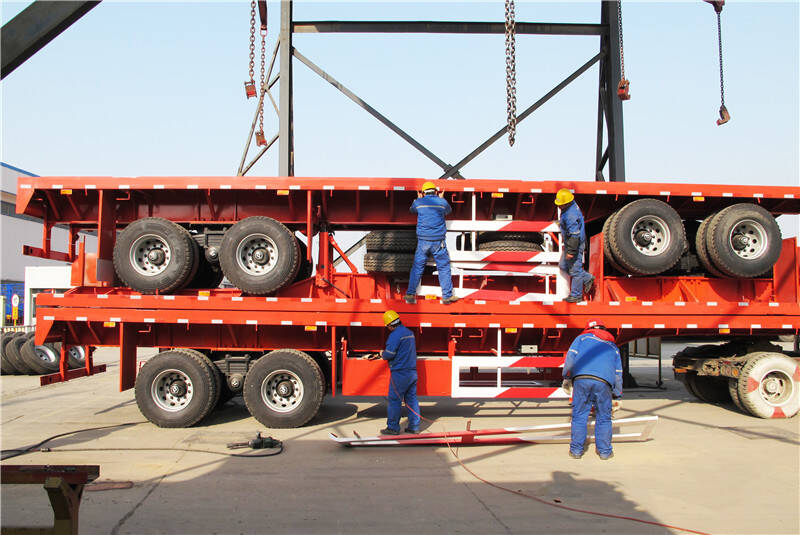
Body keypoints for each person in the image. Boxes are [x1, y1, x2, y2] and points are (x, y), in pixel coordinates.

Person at [562, 319, 623, 460]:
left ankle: (576, 451)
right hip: (604, 383)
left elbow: (570, 358)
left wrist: (566, 377)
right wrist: (617, 395)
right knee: (604, 417)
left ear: (588, 328)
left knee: (579, 415)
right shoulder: (613, 347)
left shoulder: (581, 338)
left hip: (582, 379)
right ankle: (605, 452)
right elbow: (618, 372)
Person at [405, 181, 458, 305]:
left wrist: (418, 199)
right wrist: (442, 198)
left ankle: (410, 294)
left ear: (423, 192)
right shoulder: (442, 203)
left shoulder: (418, 203)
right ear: (435, 191)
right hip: (438, 242)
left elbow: (412, 210)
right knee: (444, 268)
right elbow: (448, 211)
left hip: (423, 242)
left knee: (417, 268)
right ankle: (447, 296)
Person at [377, 310, 421, 435]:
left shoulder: (395, 335)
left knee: (394, 400)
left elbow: (389, 354)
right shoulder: (409, 333)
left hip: (400, 373)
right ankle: (414, 426)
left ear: (390, 325)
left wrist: (382, 354)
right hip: (412, 372)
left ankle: (393, 428)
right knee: (411, 399)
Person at [554, 188, 594, 303]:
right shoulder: (570, 207)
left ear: (566, 203)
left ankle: (576, 295)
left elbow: (574, 234)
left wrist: (571, 252)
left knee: (575, 271)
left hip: (574, 244)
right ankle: (587, 278)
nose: (559, 206)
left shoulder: (570, 214)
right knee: (563, 265)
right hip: (572, 243)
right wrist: (560, 222)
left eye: (560, 204)